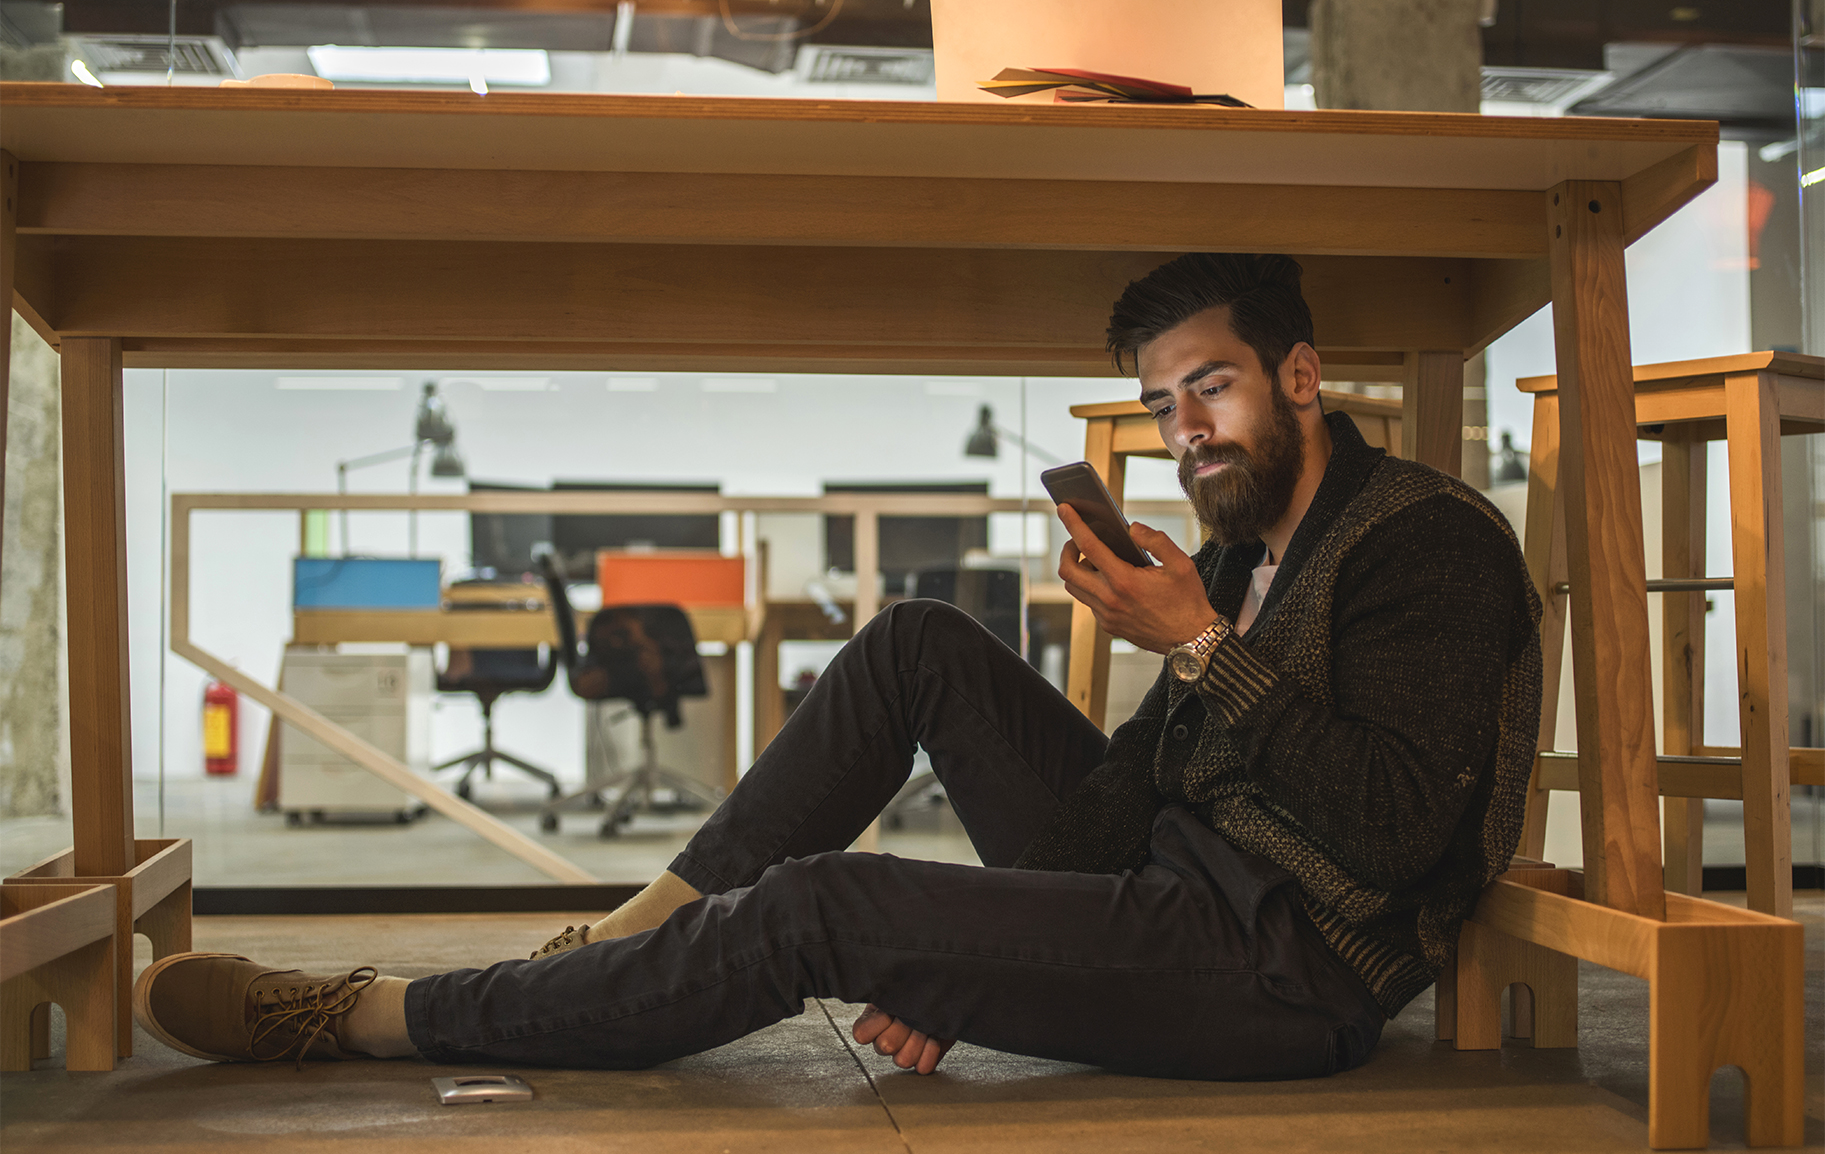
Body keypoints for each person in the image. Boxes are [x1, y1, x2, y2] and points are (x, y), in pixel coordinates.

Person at [133, 252, 1541, 1081]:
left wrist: (1198, 649)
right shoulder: (1244, 545)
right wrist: (984, 944)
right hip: (1175, 883)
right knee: (914, 643)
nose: (1186, 432)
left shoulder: (1424, 545)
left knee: (817, 906)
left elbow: (1403, 827)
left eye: (1212, 389)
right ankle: (631, 931)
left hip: (1281, 970)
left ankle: (369, 1018)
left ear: (1300, 376)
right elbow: (1144, 783)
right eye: (1162, 405)